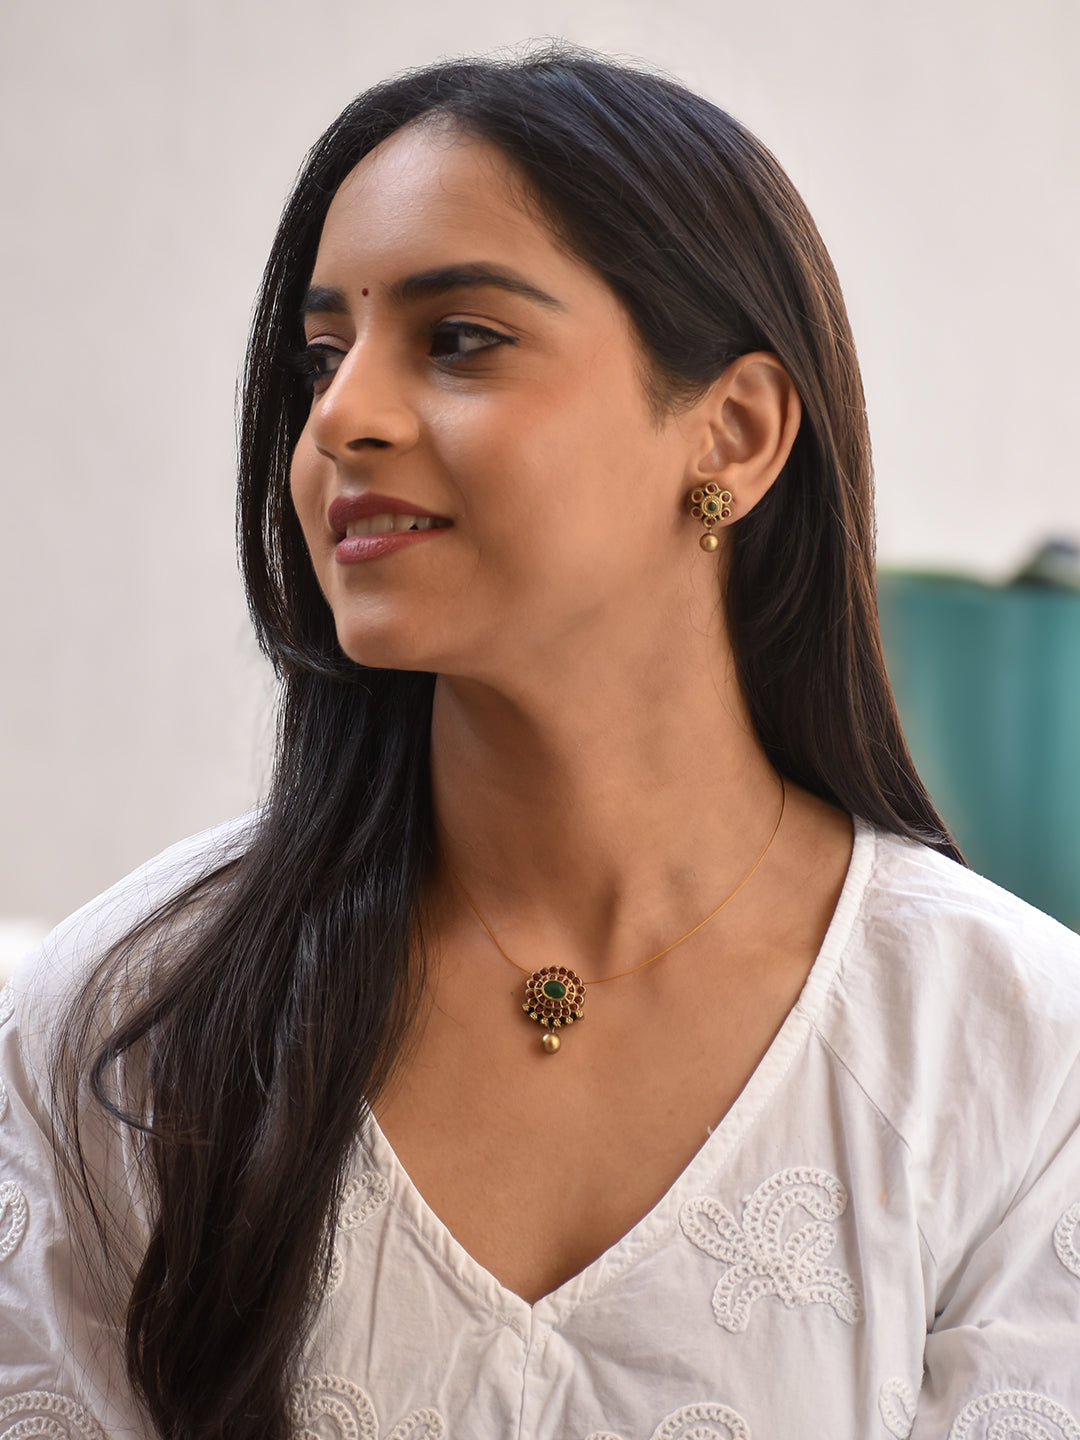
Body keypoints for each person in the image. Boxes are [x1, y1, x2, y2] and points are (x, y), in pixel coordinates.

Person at [2, 46, 1079, 1440]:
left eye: (459, 339)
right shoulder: (128, 1020)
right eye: (323, 355)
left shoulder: (1013, 1053)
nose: (342, 418)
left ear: (735, 436)